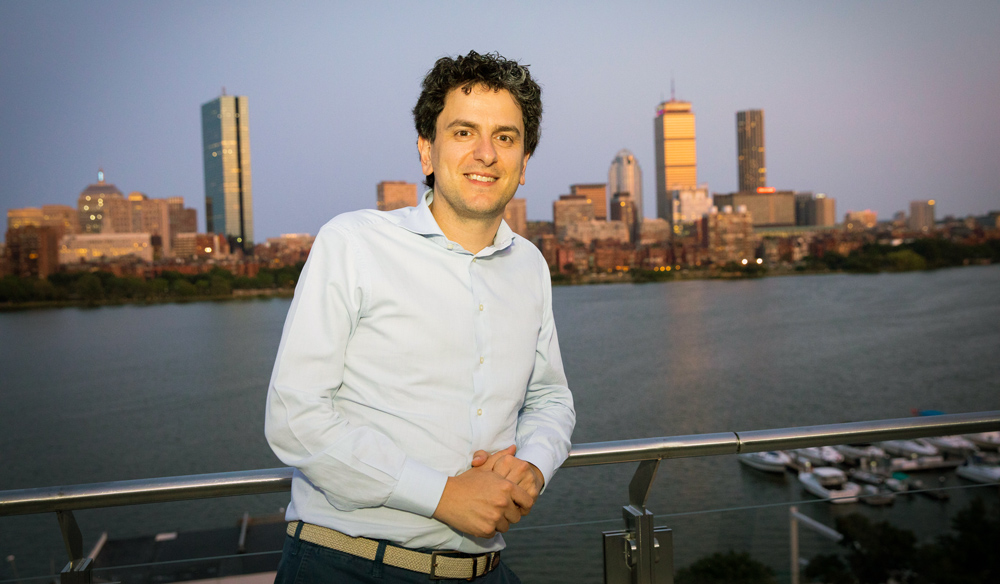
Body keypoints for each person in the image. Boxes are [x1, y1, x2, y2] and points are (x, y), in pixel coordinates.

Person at [265, 50, 575, 583]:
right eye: (463, 132)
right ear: (426, 151)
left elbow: (550, 397)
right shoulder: (354, 242)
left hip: (486, 568)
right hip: (350, 567)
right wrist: (444, 497)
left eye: (505, 137)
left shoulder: (530, 265)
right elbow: (295, 418)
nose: (485, 153)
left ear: (524, 165)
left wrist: (533, 467)